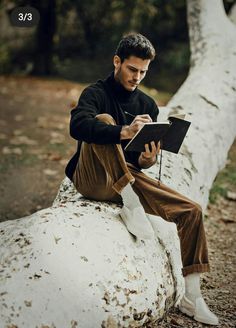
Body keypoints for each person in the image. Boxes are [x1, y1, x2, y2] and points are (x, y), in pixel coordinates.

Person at [65, 33, 219, 325]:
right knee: (104, 121)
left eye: (143, 72)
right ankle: (131, 203)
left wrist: (148, 159)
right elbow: (78, 125)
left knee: (191, 211)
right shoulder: (95, 93)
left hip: (127, 177)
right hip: (92, 179)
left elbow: (137, 159)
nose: (137, 77)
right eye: (132, 69)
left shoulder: (147, 104)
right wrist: (124, 131)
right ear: (117, 62)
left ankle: (193, 296)